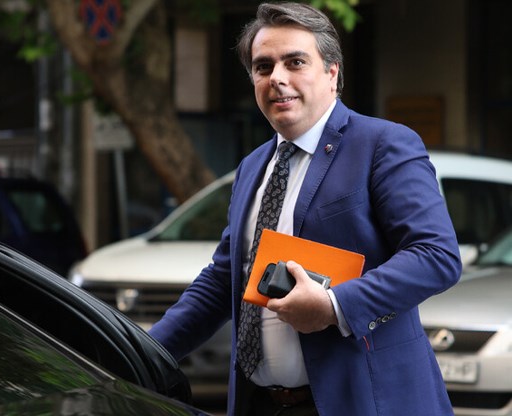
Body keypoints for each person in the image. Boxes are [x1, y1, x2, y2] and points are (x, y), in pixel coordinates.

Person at [148, 2, 461, 415]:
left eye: (295, 62)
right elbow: (225, 280)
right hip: (260, 405)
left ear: (332, 73)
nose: (277, 78)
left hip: (363, 403)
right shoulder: (252, 167)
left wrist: (334, 306)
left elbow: (436, 256)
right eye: (263, 67)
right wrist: (141, 353)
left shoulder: (382, 145)